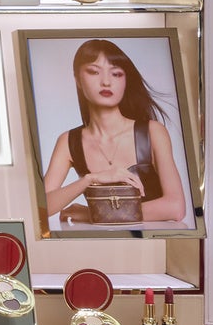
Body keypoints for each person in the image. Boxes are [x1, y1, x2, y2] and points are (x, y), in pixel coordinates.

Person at [41, 38, 188, 226]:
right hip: (99, 241)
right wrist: (89, 179)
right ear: (77, 79)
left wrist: (93, 215)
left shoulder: (152, 132)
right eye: (94, 72)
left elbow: (175, 207)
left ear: (126, 81)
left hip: (153, 241)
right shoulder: (69, 141)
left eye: (116, 74)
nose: (106, 82)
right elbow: (41, 208)